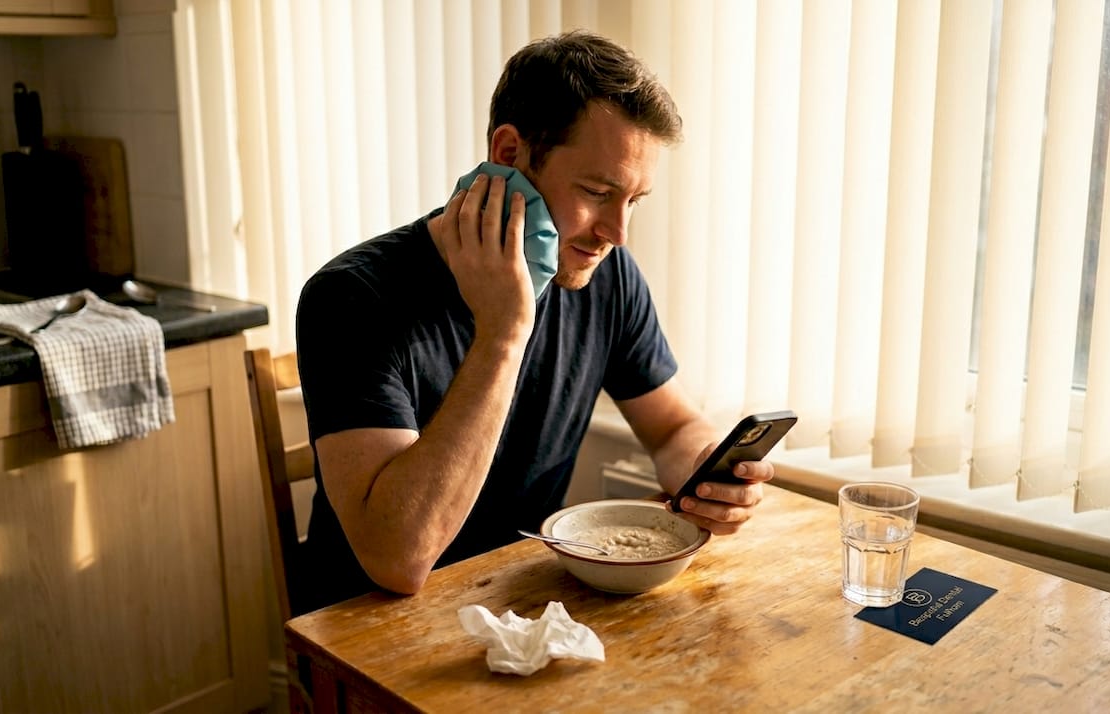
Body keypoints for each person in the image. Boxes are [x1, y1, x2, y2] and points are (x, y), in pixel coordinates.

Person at [295, 30, 775, 610]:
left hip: (514, 597)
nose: (617, 233)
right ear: (508, 154)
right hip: (369, 628)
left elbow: (672, 429)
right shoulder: (351, 298)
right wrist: (504, 332)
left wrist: (704, 470)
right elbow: (398, 557)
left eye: (635, 201)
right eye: (598, 191)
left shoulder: (606, 275)